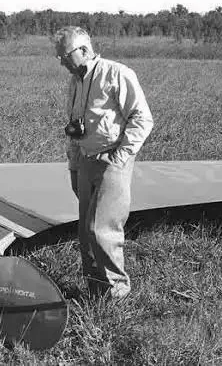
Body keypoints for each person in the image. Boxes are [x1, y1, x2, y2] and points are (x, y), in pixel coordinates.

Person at [54, 26, 153, 299]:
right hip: (86, 161)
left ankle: (116, 297)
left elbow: (142, 119)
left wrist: (119, 158)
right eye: (59, 57)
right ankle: (95, 293)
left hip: (112, 161)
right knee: (85, 234)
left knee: (102, 230)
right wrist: (74, 167)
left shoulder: (117, 74)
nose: (61, 62)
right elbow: (73, 128)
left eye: (64, 55)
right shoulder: (75, 81)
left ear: (83, 50)